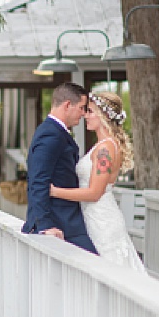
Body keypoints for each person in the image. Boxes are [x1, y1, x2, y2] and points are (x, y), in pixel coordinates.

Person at [49, 91, 146, 272]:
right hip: (93, 217)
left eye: (91, 111)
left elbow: (94, 193)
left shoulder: (106, 149)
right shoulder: (102, 146)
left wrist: (55, 191)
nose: (86, 115)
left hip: (102, 220)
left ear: (104, 117)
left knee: (110, 273)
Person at [21, 82, 98, 254]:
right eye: (81, 107)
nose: (84, 113)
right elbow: (38, 181)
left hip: (68, 220)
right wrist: (45, 224)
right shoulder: (51, 134)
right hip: (61, 223)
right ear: (67, 105)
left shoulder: (54, 131)